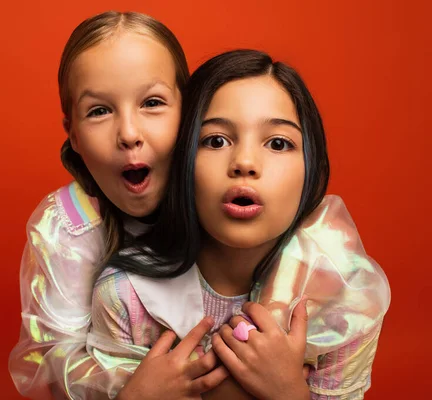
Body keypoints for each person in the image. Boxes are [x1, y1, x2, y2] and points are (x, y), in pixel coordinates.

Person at [90, 49, 391, 399]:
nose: (245, 162)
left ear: (312, 168)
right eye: (216, 140)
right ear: (181, 158)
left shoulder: (344, 300)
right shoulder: (126, 296)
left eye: (278, 143)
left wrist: (288, 394)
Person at [9, 11, 228, 399]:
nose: (128, 134)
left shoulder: (225, 190)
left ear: (189, 110)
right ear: (73, 134)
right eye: (99, 111)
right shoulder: (68, 225)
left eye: (153, 102)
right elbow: (51, 356)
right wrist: (136, 388)